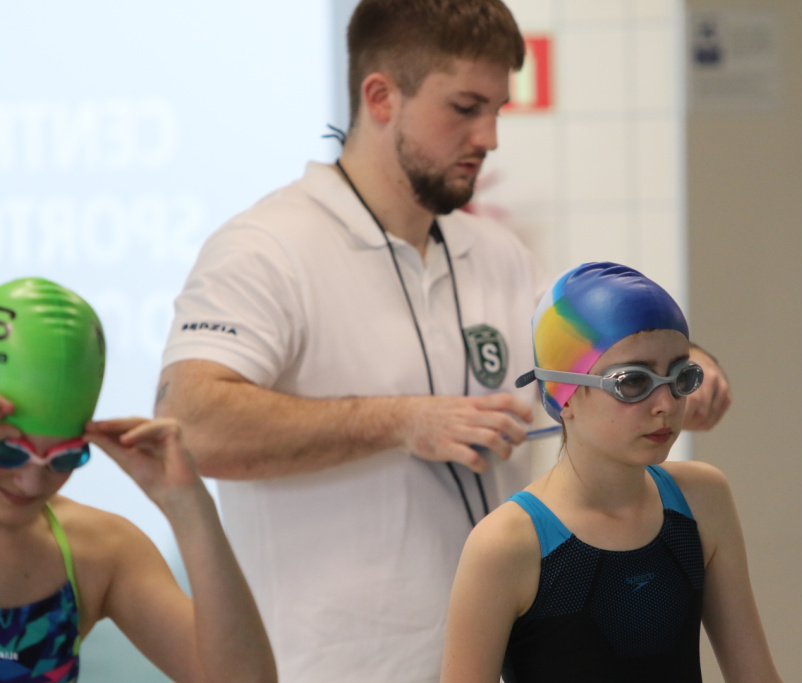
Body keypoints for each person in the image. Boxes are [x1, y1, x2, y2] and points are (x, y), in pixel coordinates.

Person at [154, 1, 730, 681]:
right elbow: (189, 427)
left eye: (497, 110)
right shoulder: (265, 248)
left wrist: (685, 367)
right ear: (380, 97)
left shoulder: (496, 254)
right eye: (465, 107)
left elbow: (602, 357)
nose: (489, 137)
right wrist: (402, 421)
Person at [440, 262, 780, 683]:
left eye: (681, 376)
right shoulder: (506, 544)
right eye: (632, 382)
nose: (666, 404)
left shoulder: (701, 500)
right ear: (562, 395)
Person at [0, 277, 276, 683]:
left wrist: (188, 505)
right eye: (10, 452)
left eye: (65, 458)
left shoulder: (98, 552)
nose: (31, 481)